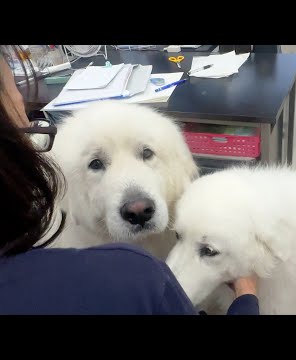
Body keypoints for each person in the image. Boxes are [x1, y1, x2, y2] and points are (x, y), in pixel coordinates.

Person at [0, 45, 259, 315]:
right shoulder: (137, 279)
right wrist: (247, 298)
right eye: (96, 164)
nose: (138, 205)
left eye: (146, 153)